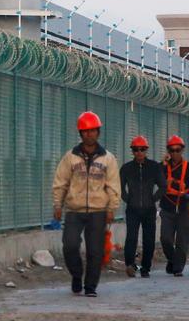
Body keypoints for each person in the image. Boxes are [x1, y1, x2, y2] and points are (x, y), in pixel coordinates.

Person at [52, 111, 121, 297]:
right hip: (74, 210)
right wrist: (57, 205)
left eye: (92, 131)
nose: (89, 135)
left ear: (98, 132)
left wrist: (111, 208)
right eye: (85, 131)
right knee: (70, 245)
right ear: (80, 133)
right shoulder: (70, 157)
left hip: (98, 211)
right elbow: (61, 181)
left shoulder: (108, 158)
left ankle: (90, 286)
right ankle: (76, 275)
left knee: (95, 251)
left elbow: (113, 185)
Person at [119, 135, 166, 278]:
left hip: (149, 209)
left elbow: (163, 185)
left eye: (142, 149)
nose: (139, 152)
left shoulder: (154, 167)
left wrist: (153, 199)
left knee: (149, 239)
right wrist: (129, 200)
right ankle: (130, 264)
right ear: (132, 151)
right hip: (132, 209)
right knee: (131, 238)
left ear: (146, 151)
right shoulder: (126, 168)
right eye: (136, 150)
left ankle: (145, 267)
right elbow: (120, 188)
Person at [159, 135, 189, 277]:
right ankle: (172, 260)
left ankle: (178, 268)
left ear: (182, 150)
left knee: (182, 240)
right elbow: (154, 177)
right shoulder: (163, 167)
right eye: (172, 150)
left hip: (183, 209)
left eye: (178, 150)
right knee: (166, 239)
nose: (175, 153)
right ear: (168, 151)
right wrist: (162, 163)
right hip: (167, 209)